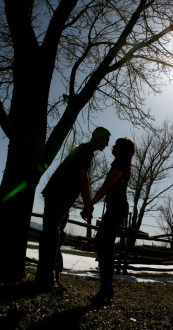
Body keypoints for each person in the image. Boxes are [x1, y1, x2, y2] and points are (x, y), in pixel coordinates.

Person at [36, 127, 111, 291]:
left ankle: (50, 276)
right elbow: (82, 177)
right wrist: (87, 203)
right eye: (106, 140)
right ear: (98, 138)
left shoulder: (85, 151)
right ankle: (45, 279)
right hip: (58, 195)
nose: (107, 144)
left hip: (62, 198)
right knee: (52, 235)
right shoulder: (85, 150)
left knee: (56, 235)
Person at [83, 137, 135, 305]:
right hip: (115, 208)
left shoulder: (120, 165)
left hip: (117, 208)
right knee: (103, 244)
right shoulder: (119, 164)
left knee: (104, 244)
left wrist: (90, 203)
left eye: (116, 145)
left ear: (121, 149)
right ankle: (106, 288)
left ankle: (106, 289)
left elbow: (106, 186)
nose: (112, 147)